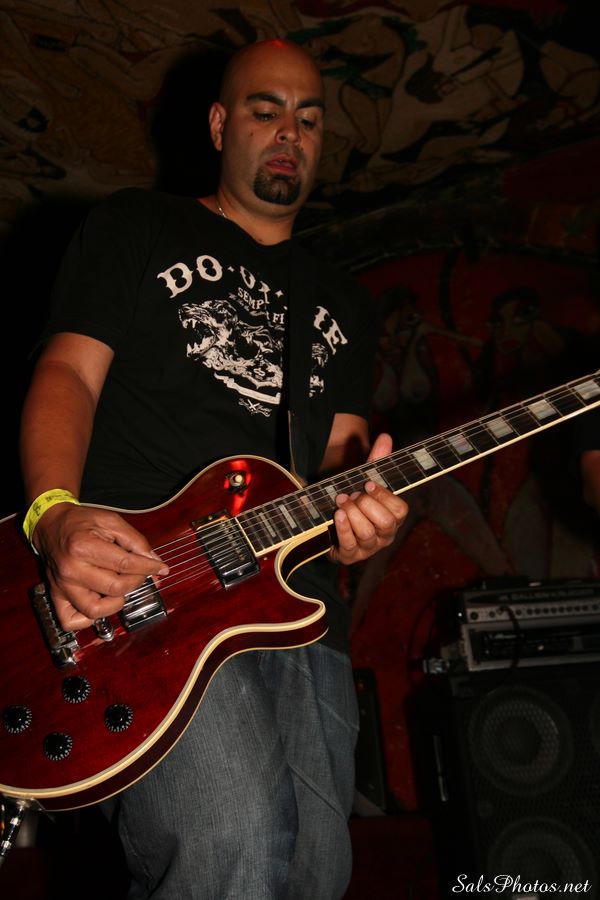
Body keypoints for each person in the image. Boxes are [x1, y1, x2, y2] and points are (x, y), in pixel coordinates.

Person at [18, 39, 408, 899]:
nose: (290, 132)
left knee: (316, 873)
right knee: (232, 844)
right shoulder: (137, 225)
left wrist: (361, 530)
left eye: (310, 119)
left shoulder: (342, 300)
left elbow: (340, 466)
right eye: (267, 111)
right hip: (150, 593)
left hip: (302, 616)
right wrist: (54, 513)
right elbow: (68, 373)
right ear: (220, 125)